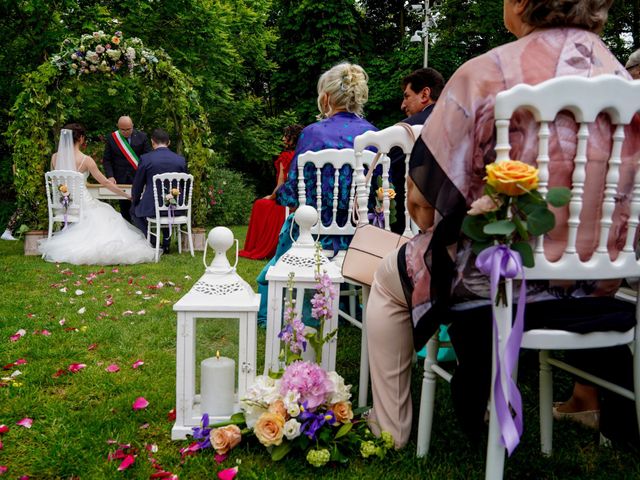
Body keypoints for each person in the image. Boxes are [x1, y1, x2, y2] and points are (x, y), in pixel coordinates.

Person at [366, 0, 640, 448]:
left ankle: (390, 430)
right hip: (599, 286)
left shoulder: (485, 73)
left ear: (520, 3)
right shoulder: (627, 85)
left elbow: (422, 201)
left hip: (493, 282)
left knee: (387, 277)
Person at [255, 62, 379, 324]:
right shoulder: (374, 134)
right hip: (360, 237)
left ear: (326, 97)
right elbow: (377, 189)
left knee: (289, 235)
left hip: (313, 234)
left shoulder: (312, 134)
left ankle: (280, 315)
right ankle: (346, 308)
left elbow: (292, 192)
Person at [39, 124, 155, 264]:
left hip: (62, 205)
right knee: (111, 216)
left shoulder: (54, 158)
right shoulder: (85, 160)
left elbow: (60, 181)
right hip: (83, 205)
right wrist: (126, 196)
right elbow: (106, 183)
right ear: (81, 138)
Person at [390, 68, 445, 235]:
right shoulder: (461, 122)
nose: (402, 105)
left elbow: (390, 172)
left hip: (410, 221)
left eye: (407, 96)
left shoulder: (403, 130)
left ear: (424, 94)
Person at [239, 124, 304, 260]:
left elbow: (281, 184)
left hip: (287, 202)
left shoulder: (286, 157)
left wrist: (271, 196)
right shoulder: (304, 155)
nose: (283, 139)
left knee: (260, 204)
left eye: (286, 136)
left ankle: (258, 246)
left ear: (292, 139)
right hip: (301, 202)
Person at [130, 128, 187, 254]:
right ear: (169, 142)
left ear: (152, 142)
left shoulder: (146, 159)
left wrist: (135, 200)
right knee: (167, 210)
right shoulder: (180, 160)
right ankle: (166, 244)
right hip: (177, 207)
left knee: (134, 211)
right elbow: (183, 185)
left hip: (152, 207)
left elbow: (138, 184)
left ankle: (154, 242)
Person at [102, 116, 152, 223]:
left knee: (140, 208)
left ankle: (142, 234)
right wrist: (110, 176)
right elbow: (107, 160)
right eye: (122, 129)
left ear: (132, 126)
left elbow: (148, 158)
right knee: (125, 210)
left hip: (138, 178)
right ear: (118, 127)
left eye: (128, 129)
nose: (125, 132)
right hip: (120, 179)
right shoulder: (112, 138)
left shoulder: (142, 137)